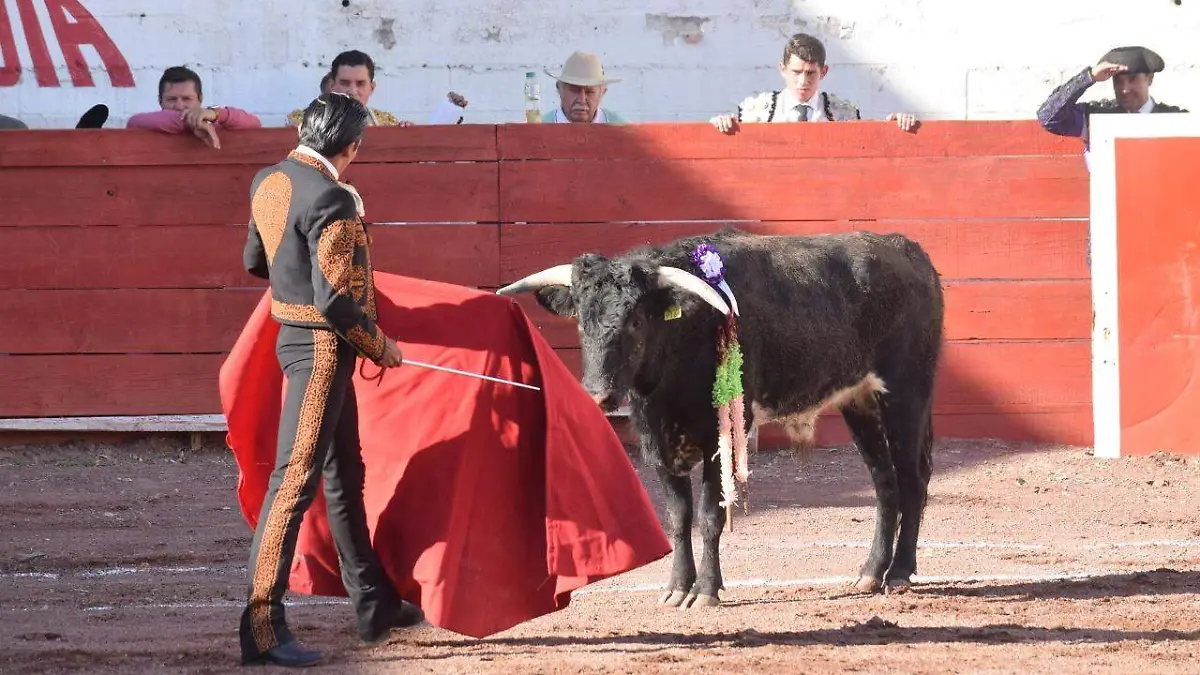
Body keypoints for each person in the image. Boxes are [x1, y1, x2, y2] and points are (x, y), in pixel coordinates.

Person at [238, 92, 422, 668]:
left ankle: (373, 603)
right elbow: (339, 305)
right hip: (322, 350)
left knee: (345, 472)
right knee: (294, 483)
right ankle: (262, 630)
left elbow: (254, 261)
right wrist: (382, 347)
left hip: (292, 337)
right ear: (352, 148)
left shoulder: (270, 179)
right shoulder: (333, 198)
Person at [710, 33, 917, 133]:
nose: (803, 81)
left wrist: (895, 125)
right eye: (796, 72)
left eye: (810, 73)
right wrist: (720, 124)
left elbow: (873, 145)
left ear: (823, 72)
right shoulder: (754, 112)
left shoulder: (843, 114)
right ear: (782, 69)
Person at [1037, 45, 1187, 147]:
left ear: (1150, 78)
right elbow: (1048, 117)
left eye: (1133, 79)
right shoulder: (1095, 117)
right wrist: (1089, 77)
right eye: (1118, 81)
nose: (1125, 89)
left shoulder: (1176, 119)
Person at [126, 66, 261, 148]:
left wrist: (216, 113)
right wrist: (191, 122)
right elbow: (134, 122)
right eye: (172, 99)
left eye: (186, 99)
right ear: (160, 101)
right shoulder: (150, 124)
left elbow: (255, 123)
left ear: (200, 99)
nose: (179, 106)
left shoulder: (213, 124)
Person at [543, 51, 626, 123]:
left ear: (602, 92)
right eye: (574, 90)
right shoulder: (537, 129)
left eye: (589, 92)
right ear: (559, 88)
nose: (582, 100)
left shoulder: (622, 131)